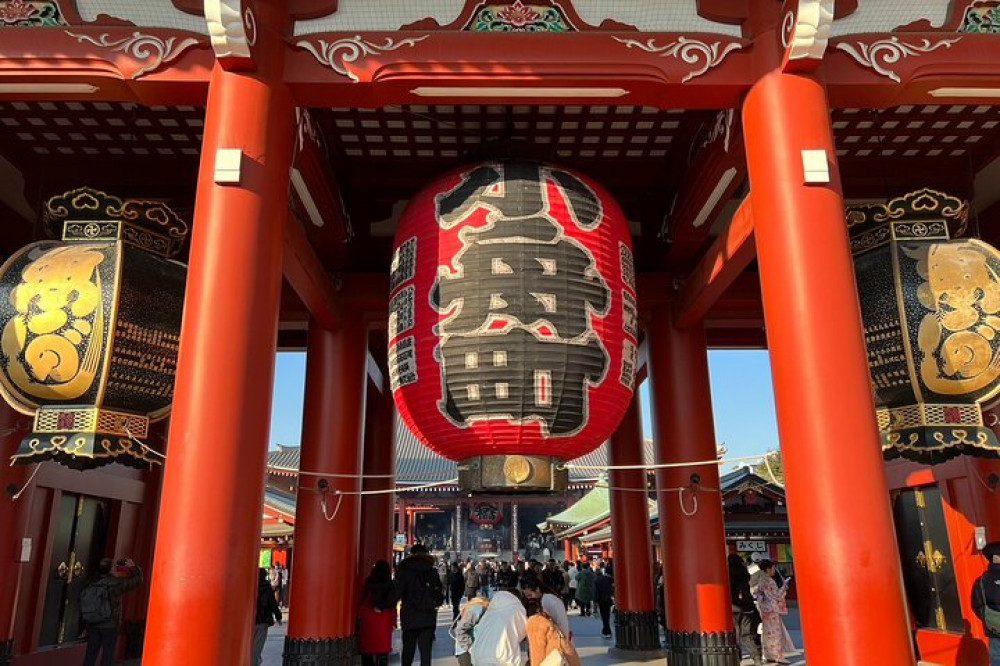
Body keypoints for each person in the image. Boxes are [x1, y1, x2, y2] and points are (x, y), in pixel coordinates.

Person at [80, 557, 143, 666]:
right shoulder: (116, 583)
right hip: (110, 625)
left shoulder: (91, 581)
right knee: (107, 656)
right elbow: (138, 580)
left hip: (93, 623)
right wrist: (132, 567)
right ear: (110, 570)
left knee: (90, 655)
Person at [396, 543, 444, 666]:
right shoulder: (432, 572)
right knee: (425, 653)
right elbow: (439, 594)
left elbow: (398, 592)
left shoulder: (404, 571)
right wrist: (435, 603)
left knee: (408, 650)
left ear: (412, 554)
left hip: (409, 615)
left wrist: (383, 604)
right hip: (428, 616)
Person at [469, 589, 527, 666]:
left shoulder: (490, 613)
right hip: (502, 657)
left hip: (479, 655)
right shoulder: (516, 609)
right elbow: (524, 631)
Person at [358, 560, 399, 666]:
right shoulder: (390, 585)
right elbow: (393, 605)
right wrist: (394, 622)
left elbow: (362, 599)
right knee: (382, 652)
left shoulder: (369, 582)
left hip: (368, 619)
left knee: (367, 651)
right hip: (385, 620)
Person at [728, 554, 763, 666]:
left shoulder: (728, 575)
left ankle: (737, 659)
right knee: (747, 635)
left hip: (734, 608)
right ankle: (756, 658)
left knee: (736, 634)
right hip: (747, 608)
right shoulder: (745, 574)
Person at [755, 559, 790, 665]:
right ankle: (778, 656)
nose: (774, 570)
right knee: (775, 633)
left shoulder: (761, 579)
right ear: (768, 569)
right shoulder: (770, 581)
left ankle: (768, 654)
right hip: (772, 609)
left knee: (767, 633)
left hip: (765, 609)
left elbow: (759, 594)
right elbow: (777, 595)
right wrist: (784, 587)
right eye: (773, 568)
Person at [972, 541, 1000, 665]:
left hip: (994, 630)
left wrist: (989, 619)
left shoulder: (981, 581)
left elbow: (976, 605)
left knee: (996, 658)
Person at [252, 567, 282, 666]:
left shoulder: (249, 585)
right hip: (262, 620)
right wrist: (278, 616)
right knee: (257, 647)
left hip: (249, 621)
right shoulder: (266, 587)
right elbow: (272, 603)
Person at [450, 593, 489, 666]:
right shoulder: (479, 609)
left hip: (467, 650)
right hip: (466, 651)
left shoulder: (478, 609)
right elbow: (460, 629)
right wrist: (469, 646)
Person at [594, 566, 614, 639]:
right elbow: (612, 586)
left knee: (603, 616)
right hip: (608, 598)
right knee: (607, 615)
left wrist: (596, 600)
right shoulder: (608, 579)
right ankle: (606, 630)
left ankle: (606, 630)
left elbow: (596, 592)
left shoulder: (596, 580)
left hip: (601, 600)